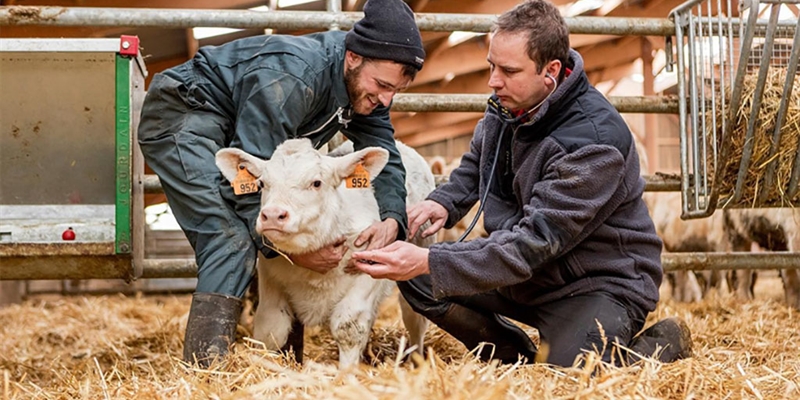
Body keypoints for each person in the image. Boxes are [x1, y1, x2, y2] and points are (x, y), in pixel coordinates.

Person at [352, 0, 693, 367]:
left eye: (508, 70)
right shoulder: (509, 103)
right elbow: (477, 164)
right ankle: (514, 358)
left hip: (593, 284)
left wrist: (429, 257)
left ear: (551, 71)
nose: (493, 80)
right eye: (491, 66)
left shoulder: (594, 143)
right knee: (420, 279)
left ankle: (663, 342)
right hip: (525, 273)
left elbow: (534, 242)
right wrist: (444, 204)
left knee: (573, 376)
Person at [137, 0, 425, 367]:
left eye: (394, 91)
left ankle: (284, 363)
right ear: (353, 57)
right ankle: (205, 372)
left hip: (234, 125)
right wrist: (295, 254)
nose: (385, 99)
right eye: (382, 85)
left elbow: (384, 153)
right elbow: (248, 190)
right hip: (186, 113)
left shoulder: (363, 91)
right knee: (229, 236)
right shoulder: (293, 77)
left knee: (281, 226)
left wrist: (392, 221)